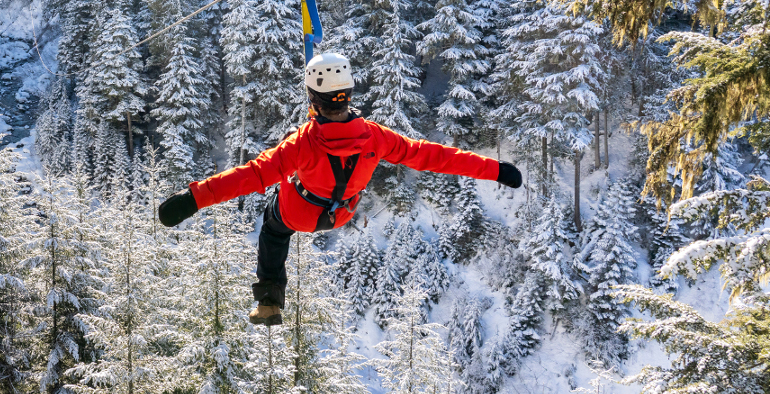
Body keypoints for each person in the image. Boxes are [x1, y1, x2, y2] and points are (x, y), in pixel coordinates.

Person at [157, 51, 523, 326]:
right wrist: (494, 169)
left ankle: (269, 300)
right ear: (347, 94)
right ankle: (271, 294)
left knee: (272, 226)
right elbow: (429, 156)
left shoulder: (301, 144)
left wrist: (194, 199)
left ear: (312, 99)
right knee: (284, 211)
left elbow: (250, 175)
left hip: (299, 212)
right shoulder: (373, 137)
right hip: (341, 213)